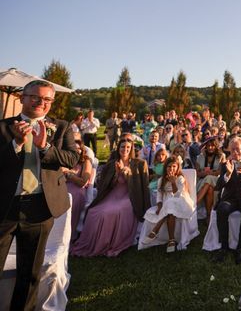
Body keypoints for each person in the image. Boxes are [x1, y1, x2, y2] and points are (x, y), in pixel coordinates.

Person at [0, 80, 78, 311]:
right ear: (22, 98)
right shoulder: (4, 127)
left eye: (46, 100)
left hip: (40, 208)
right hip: (5, 207)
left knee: (30, 273)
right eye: (35, 97)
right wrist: (15, 143)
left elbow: (71, 159)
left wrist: (45, 148)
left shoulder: (61, 127)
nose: (40, 103)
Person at [71, 136, 150, 257]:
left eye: (128, 147)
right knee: (94, 211)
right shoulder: (112, 164)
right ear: (118, 149)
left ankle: (109, 243)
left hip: (129, 197)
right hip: (112, 195)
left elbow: (141, 186)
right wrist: (117, 174)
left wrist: (127, 175)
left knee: (112, 212)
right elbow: (105, 185)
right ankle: (91, 243)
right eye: (123, 147)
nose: (125, 149)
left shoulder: (139, 164)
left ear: (132, 149)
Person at [213, 136, 241, 265]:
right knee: (222, 209)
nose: (235, 153)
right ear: (229, 150)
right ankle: (224, 246)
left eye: (238, 150)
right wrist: (227, 174)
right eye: (232, 150)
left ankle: (240, 246)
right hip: (231, 198)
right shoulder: (225, 164)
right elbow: (218, 185)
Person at [141, 156, 195, 252]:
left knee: (171, 203)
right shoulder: (162, 180)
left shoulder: (180, 178)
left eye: (174, 166)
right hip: (168, 203)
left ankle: (156, 229)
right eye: (169, 166)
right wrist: (159, 206)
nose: (171, 169)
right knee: (170, 209)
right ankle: (171, 240)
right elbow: (159, 194)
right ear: (166, 168)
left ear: (177, 167)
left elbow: (177, 195)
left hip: (181, 201)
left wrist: (173, 182)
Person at [60, 137, 93, 240]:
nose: (76, 151)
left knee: (73, 198)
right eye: (73, 149)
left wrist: (68, 173)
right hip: (61, 187)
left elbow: (82, 182)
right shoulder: (63, 160)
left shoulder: (85, 161)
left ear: (82, 149)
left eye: (78, 149)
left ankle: (70, 235)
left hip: (77, 191)